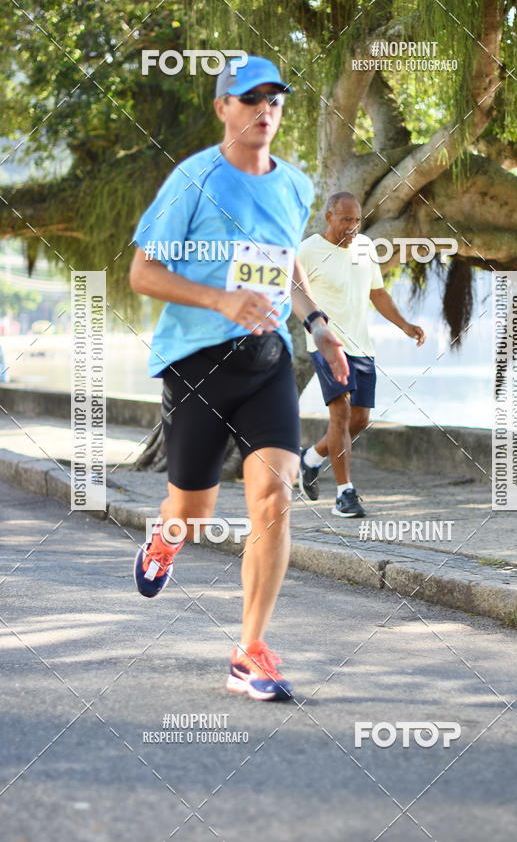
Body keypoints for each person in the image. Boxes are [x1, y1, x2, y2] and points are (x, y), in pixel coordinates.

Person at [129, 55, 348, 701]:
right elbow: (143, 274)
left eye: (274, 99)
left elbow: (286, 269)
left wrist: (319, 324)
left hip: (266, 364)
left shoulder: (296, 186)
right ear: (223, 107)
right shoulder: (193, 180)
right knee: (191, 512)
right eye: (249, 98)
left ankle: (249, 649)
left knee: (273, 500)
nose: (264, 110)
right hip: (196, 367)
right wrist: (222, 301)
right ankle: (165, 538)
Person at [297, 192, 425, 516]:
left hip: (362, 346)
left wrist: (405, 325)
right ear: (329, 217)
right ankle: (345, 494)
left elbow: (377, 293)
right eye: (345, 220)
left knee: (360, 419)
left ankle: (310, 459)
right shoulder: (309, 250)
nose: (352, 227)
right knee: (339, 414)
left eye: (356, 220)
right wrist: (316, 329)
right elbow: (295, 294)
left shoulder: (367, 248)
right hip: (326, 345)